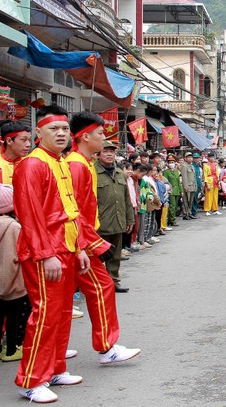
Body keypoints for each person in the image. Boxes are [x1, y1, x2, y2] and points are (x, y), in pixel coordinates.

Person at [12, 106, 93, 402]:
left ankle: (55, 368)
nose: (60, 134)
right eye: (53, 130)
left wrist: (80, 247)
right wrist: (46, 254)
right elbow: (30, 214)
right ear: (38, 133)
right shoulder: (32, 164)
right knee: (45, 314)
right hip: (45, 251)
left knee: (61, 314)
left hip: (66, 246)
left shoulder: (58, 161)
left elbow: (71, 211)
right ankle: (31, 379)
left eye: (64, 130)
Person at [67, 111, 141, 361]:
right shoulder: (77, 166)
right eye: (100, 134)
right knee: (101, 287)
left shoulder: (83, 164)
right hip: (79, 241)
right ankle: (106, 346)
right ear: (85, 137)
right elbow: (74, 212)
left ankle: (64, 351)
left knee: (88, 292)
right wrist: (94, 244)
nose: (104, 139)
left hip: (83, 239)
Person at [0, 184, 30, 362]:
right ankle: (11, 349)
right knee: (14, 315)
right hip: (13, 279)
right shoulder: (13, 228)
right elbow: (16, 255)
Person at [96, 140, 135, 292]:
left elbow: (127, 199)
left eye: (112, 151)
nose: (109, 154)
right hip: (100, 223)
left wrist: (130, 219)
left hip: (118, 220)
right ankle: (100, 284)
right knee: (98, 256)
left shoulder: (120, 173)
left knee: (115, 256)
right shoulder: (92, 171)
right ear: (99, 153)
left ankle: (113, 281)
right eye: (105, 151)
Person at [163, 155, 182, 225]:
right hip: (170, 191)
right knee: (172, 206)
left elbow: (179, 182)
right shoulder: (166, 172)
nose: (172, 163)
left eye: (173, 162)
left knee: (176, 206)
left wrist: (181, 191)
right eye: (170, 162)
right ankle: (171, 220)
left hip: (177, 190)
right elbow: (165, 181)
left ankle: (173, 218)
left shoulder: (177, 172)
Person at [178, 152, 197, 220]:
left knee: (191, 201)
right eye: (188, 157)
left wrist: (195, 185)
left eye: (191, 157)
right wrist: (185, 186)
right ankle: (186, 214)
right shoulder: (184, 166)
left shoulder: (191, 166)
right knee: (186, 201)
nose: (190, 159)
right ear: (185, 158)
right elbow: (184, 177)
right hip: (187, 186)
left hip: (192, 185)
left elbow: (194, 177)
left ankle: (189, 213)